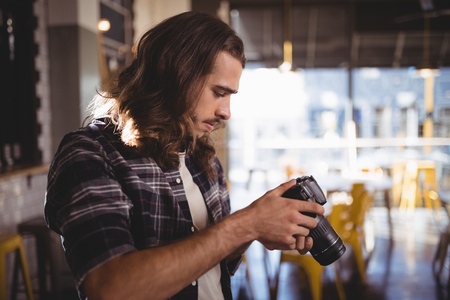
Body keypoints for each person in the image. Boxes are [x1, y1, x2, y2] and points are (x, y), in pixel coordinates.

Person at [44, 11, 324, 300]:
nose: (226, 112)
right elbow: (110, 288)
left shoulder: (204, 159)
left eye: (230, 96)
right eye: (218, 92)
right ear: (177, 75)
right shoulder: (90, 154)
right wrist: (246, 224)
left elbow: (215, 266)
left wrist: (255, 231)